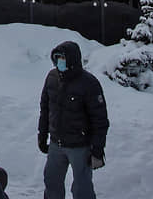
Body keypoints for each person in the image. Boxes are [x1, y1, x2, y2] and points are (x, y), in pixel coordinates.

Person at [38, 40, 109, 199]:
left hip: (80, 146)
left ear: (72, 59)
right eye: (57, 58)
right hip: (57, 144)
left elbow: (100, 120)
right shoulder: (52, 78)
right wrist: (42, 136)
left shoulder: (89, 83)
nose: (59, 62)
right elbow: (45, 109)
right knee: (51, 182)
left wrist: (97, 148)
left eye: (62, 58)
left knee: (82, 189)